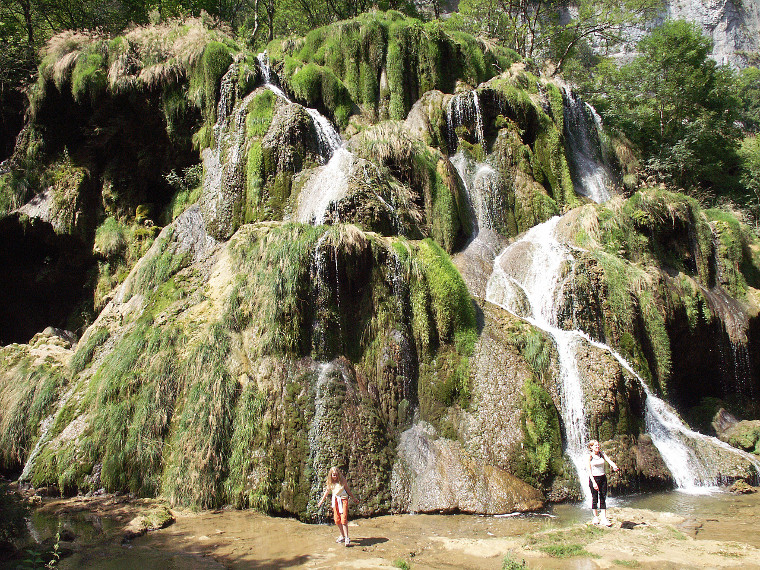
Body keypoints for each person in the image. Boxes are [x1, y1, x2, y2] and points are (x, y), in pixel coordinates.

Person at [317, 466, 358, 546]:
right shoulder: (330, 482)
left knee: (344, 518)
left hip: (343, 499)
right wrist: (321, 501)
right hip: (335, 500)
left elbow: (347, 490)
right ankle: (342, 536)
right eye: (333, 475)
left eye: (336, 475)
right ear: (331, 475)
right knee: (337, 519)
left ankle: (347, 538)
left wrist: (353, 498)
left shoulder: (342, 481)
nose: (335, 476)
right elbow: (327, 491)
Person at [587, 439, 619, 526]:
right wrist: (593, 482)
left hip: (603, 478)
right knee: (594, 498)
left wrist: (614, 466)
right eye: (595, 445)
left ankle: (604, 518)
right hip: (594, 479)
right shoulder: (590, 456)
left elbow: (609, 460)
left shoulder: (602, 454)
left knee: (603, 497)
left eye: (598, 445)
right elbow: (589, 471)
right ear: (591, 447)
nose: (597, 447)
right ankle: (595, 517)